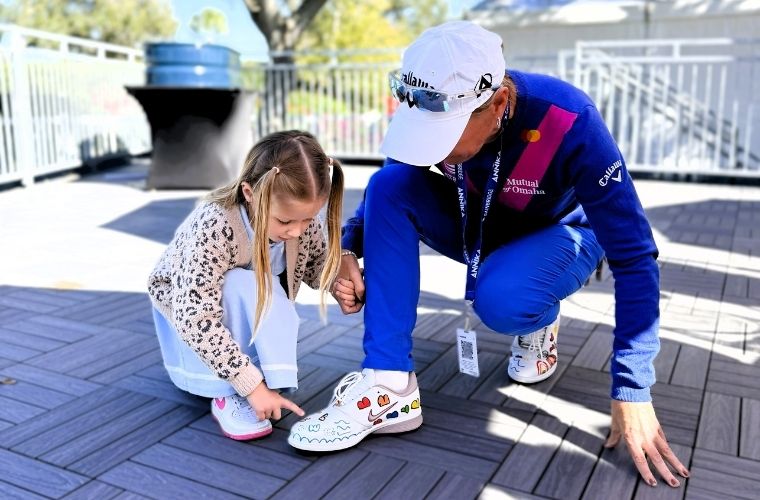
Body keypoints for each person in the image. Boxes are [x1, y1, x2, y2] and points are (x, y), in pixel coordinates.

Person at [288, 21, 690, 487]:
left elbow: (637, 256)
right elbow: (389, 187)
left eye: (444, 134)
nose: (432, 149)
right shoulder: (432, 96)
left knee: (503, 300)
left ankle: (538, 318)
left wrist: (633, 388)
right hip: (482, 223)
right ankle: (389, 383)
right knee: (389, 184)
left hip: (561, 234)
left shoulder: (569, 119)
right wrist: (348, 246)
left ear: (498, 103)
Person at [148, 130, 344, 440]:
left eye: (307, 220)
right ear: (250, 194)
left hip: (233, 318)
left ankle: (260, 377)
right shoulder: (215, 226)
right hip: (193, 326)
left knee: (256, 284)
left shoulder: (297, 221)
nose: (297, 231)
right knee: (241, 281)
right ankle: (229, 391)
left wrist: (338, 281)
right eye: (285, 222)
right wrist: (249, 385)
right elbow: (195, 316)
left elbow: (315, 264)